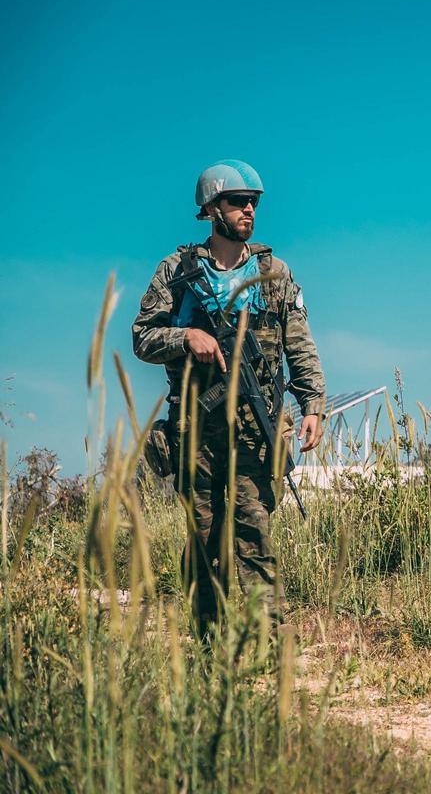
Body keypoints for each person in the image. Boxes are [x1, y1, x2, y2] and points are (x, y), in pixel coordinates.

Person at [132, 160, 326, 637]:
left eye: (254, 203)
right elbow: (141, 338)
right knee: (203, 540)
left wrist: (313, 405)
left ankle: (268, 644)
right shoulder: (176, 271)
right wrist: (186, 339)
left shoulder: (273, 273)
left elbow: (299, 344)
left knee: (253, 533)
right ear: (211, 208)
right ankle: (206, 646)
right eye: (239, 201)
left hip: (256, 430)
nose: (249, 210)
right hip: (195, 430)